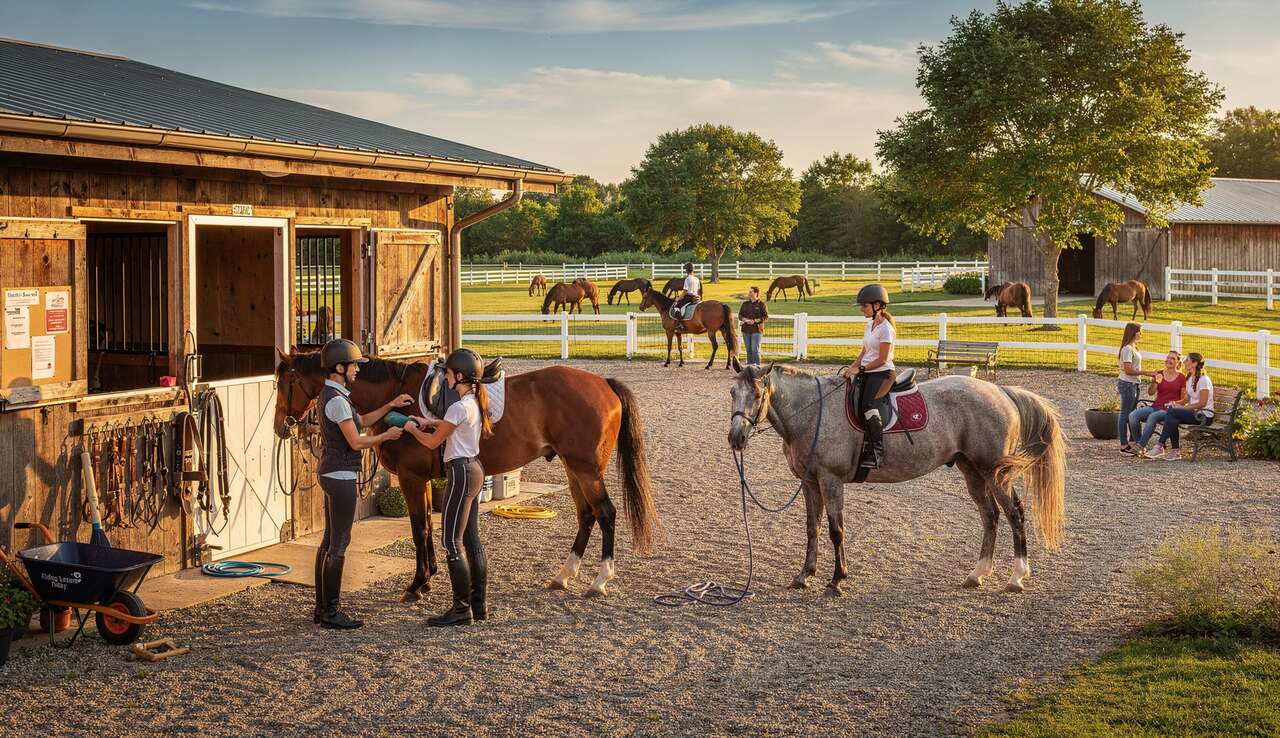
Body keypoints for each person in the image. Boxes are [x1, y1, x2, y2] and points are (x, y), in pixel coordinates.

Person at [315, 339, 410, 629]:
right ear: (340, 368)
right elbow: (356, 441)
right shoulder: (336, 401)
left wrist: (390, 405)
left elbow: (361, 421)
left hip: (333, 472)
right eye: (354, 365)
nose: (357, 370)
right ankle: (331, 612)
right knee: (339, 542)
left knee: (330, 540)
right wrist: (386, 437)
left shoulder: (335, 396)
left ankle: (322, 608)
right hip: (341, 475)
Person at [405, 348, 495, 627]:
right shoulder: (473, 403)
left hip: (460, 471)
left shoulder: (457, 407)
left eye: (447, 373)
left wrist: (412, 430)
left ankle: (460, 608)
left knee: (450, 541)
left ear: (458, 376)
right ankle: (478, 605)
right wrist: (427, 422)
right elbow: (448, 426)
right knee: (471, 539)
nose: (444, 377)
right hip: (475, 469)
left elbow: (433, 443)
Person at [839, 284, 895, 469]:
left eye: (864, 306)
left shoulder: (886, 329)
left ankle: (877, 450)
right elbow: (864, 352)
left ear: (877, 305)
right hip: (867, 370)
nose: (862, 309)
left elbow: (882, 359)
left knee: (867, 404)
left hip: (882, 372)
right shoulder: (869, 324)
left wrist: (860, 370)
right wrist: (851, 368)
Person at [1130, 350, 1188, 458]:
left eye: (1173, 358)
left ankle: (1140, 445)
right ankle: (1139, 444)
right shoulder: (1159, 374)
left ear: (1178, 363)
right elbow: (1150, 393)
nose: (1169, 360)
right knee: (1133, 415)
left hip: (1169, 410)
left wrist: (1174, 404)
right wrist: (1156, 382)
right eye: (1168, 357)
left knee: (1153, 417)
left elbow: (1184, 398)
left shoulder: (1181, 378)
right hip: (1155, 406)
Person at [1156, 352, 1214, 461]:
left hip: (1205, 416)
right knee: (1172, 411)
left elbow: (1202, 403)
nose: (1184, 362)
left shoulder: (1203, 380)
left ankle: (1161, 445)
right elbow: (1186, 400)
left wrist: (1182, 408)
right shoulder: (1189, 379)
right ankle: (1173, 451)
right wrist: (1175, 404)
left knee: (1173, 412)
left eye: (1187, 360)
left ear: (1194, 363)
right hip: (1196, 413)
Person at [1116, 322, 1156, 455]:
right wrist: (1146, 373)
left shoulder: (1134, 347)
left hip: (1133, 384)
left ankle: (1132, 441)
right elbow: (1128, 370)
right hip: (1128, 384)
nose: (1141, 334)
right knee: (1125, 414)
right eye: (1139, 332)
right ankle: (1123, 444)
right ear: (1133, 332)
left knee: (1132, 414)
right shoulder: (1127, 349)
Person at [738, 286, 769, 365]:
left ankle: (757, 367)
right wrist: (745, 320)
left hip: (757, 330)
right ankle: (749, 366)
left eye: (751, 292)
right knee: (748, 350)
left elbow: (765, 317)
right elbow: (740, 315)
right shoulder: (745, 304)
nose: (749, 293)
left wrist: (754, 321)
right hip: (745, 330)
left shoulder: (762, 304)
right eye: (749, 292)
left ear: (756, 293)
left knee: (754, 349)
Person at [671, 262, 702, 332]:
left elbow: (685, 291)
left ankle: (680, 324)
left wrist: (678, 298)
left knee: (677, 307)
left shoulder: (687, 279)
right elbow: (698, 290)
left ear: (687, 271)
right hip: (696, 297)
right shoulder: (697, 279)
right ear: (693, 270)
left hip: (689, 298)